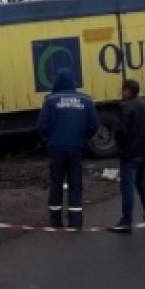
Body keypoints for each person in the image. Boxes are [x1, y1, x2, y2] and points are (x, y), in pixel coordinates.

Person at [37, 68, 99, 230]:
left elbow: (42, 126)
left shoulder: (50, 100)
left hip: (56, 148)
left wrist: (48, 139)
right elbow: (93, 126)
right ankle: (75, 222)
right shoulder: (86, 100)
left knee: (56, 183)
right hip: (76, 148)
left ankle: (56, 221)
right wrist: (83, 138)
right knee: (75, 184)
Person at [111, 79, 145, 234]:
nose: (121, 92)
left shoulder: (126, 107)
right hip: (144, 153)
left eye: (123, 90)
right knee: (143, 187)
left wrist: (121, 147)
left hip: (130, 154)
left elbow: (121, 132)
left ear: (128, 91)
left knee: (128, 189)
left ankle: (126, 222)